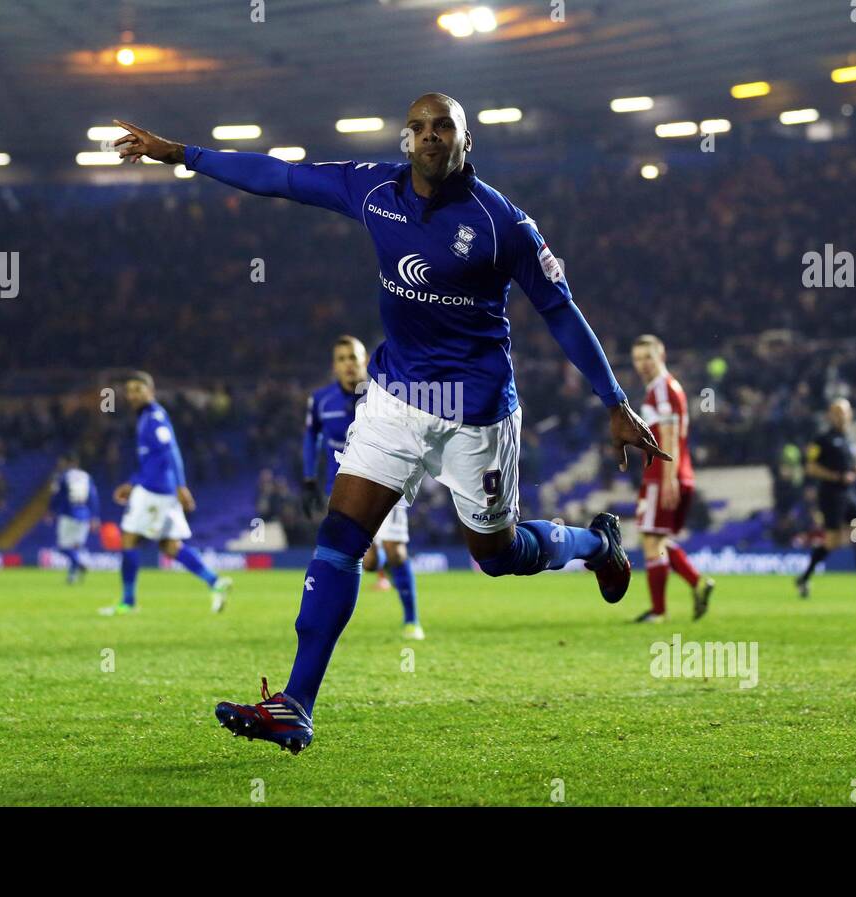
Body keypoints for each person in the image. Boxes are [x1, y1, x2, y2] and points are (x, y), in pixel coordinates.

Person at [114, 92, 667, 753]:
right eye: (419, 127)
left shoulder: (504, 225)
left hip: (475, 414)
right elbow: (280, 176)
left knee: (498, 556)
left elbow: (560, 311)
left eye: (444, 127)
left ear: (465, 141)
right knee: (340, 535)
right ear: (407, 140)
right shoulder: (373, 190)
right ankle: (296, 703)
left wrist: (614, 400)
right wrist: (182, 154)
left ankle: (595, 545)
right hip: (395, 399)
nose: (430, 136)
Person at [302, 335, 424, 639]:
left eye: (353, 358)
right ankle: (377, 562)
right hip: (343, 488)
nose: (348, 364)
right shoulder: (321, 400)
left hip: (385, 479)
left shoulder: (384, 395)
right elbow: (310, 438)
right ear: (334, 366)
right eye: (341, 359)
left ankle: (412, 621)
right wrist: (309, 479)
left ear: (365, 361)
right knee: (366, 561)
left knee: (396, 551)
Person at [100, 371, 233, 616]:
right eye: (129, 391)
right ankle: (215, 581)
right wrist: (133, 483)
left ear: (151, 391)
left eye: (138, 389)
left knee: (129, 539)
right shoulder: (145, 417)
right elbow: (151, 459)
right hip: (157, 487)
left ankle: (128, 602)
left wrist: (181, 487)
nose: (133, 395)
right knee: (170, 546)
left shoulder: (154, 417)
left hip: (154, 490)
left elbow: (170, 451)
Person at [629, 335, 715, 622]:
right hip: (670, 473)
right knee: (658, 539)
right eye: (637, 358)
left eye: (648, 357)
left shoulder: (662, 389)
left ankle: (658, 612)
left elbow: (669, 435)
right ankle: (697, 583)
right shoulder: (663, 388)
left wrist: (668, 479)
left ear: (661, 356)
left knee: (651, 541)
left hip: (663, 474)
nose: (642, 364)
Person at [795, 398, 856, 599]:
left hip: (848, 494)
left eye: (844, 412)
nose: (841, 416)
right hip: (830, 495)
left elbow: (849, 465)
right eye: (837, 412)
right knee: (833, 541)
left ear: (850, 415)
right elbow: (811, 467)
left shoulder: (848, 439)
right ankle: (805, 577)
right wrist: (837, 476)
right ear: (830, 416)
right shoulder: (822, 440)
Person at [48, 452, 100, 584]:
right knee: (75, 547)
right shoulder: (86, 476)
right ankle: (72, 576)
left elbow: (57, 496)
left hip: (68, 515)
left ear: (68, 463)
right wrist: (94, 516)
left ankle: (79, 563)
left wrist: (51, 510)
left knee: (63, 547)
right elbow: (93, 497)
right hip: (84, 515)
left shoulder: (63, 476)